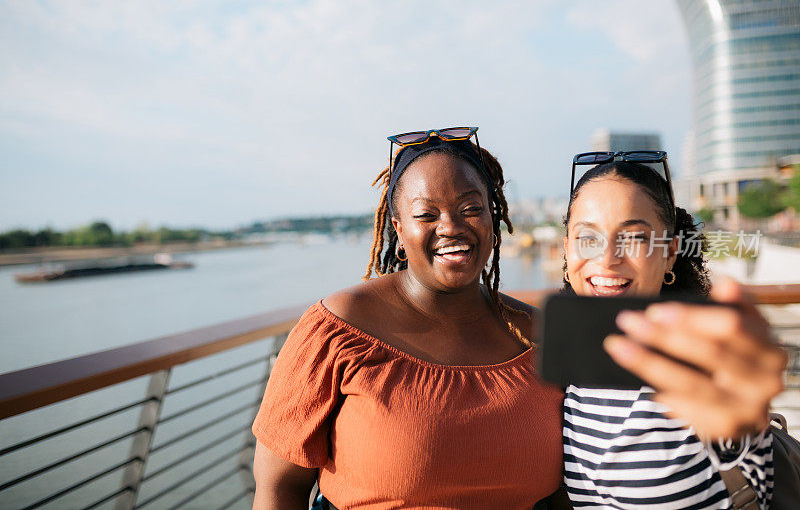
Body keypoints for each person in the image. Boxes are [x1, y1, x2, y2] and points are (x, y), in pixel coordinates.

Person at [251, 128, 565, 509]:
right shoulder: (338, 329)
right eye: (426, 214)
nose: (451, 226)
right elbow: (279, 489)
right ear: (398, 229)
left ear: (493, 215)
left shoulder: (540, 335)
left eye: (471, 209)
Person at [559, 155, 787, 509]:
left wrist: (744, 415)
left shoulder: (699, 361)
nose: (606, 258)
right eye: (587, 237)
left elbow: (742, 438)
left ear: (669, 253)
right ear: (566, 249)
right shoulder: (564, 363)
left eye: (633, 237)